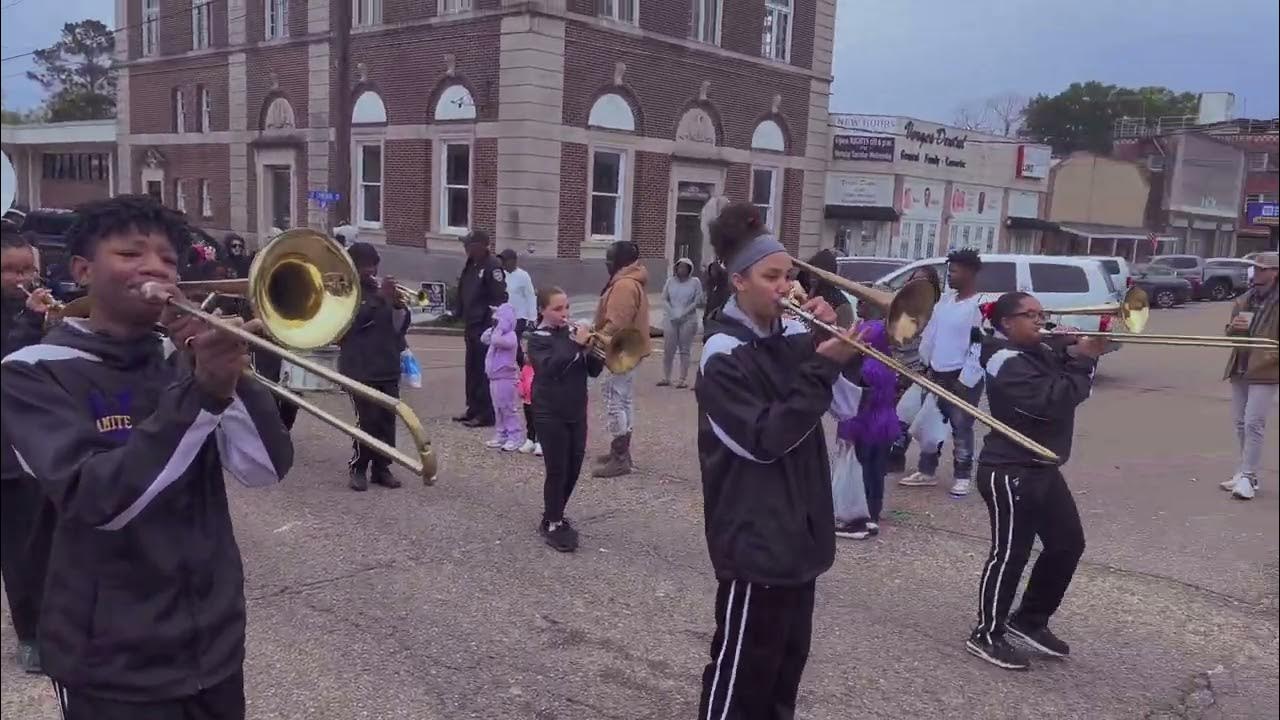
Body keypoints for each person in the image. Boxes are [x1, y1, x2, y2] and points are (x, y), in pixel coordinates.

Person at [0, 194, 294, 718]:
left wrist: (232, 379)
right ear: (84, 270)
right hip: (110, 661)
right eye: (132, 253)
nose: (155, 267)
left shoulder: (179, 357)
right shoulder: (33, 370)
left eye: (167, 258)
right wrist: (200, 392)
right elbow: (96, 498)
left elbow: (264, 467)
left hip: (215, 643)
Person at [695, 202, 865, 718]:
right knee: (742, 673)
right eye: (772, 276)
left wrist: (832, 346)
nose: (785, 286)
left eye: (789, 275)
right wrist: (817, 367)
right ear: (739, 281)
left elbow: (847, 408)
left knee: (784, 672)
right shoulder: (721, 354)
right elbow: (765, 440)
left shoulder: (792, 335)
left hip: (800, 536)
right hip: (755, 539)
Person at [966, 291, 1106, 671]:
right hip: (1010, 469)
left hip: (1041, 466)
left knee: (1067, 544)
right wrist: (1084, 360)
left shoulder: (1036, 351)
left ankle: (1029, 619)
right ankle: (986, 633)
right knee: (1010, 553)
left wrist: (1078, 348)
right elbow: (1053, 400)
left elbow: (1064, 370)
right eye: (1030, 315)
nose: (1040, 320)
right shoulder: (1003, 359)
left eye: (1041, 313)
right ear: (1006, 323)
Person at [0, 227, 56, 673]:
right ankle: (30, 636)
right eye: (9, 270)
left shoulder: (42, 304)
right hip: (5, 454)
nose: (21, 278)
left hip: (42, 445)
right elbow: (9, 367)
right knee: (19, 551)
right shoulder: (23, 315)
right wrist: (29, 321)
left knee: (51, 544)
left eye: (27, 269)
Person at [899, 249, 985, 497]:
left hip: (961, 376)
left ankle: (962, 475)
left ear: (970, 273)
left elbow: (978, 346)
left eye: (955, 271)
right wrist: (925, 363)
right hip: (936, 372)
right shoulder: (945, 302)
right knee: (929, 422)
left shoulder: (978, 305)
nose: (950, 276)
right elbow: (930, 335)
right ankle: (927, 471)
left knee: (961, 426)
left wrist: (966, 379)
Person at [527, 287, 605, 552]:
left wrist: (596, 351)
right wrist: (576, 345)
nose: (565, 314)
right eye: (557, 309)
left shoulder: (571, 335)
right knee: (557, 469)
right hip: (549, 411)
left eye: (567, 307)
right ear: (542, 310)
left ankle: (555, 514)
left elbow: (592, 372)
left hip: (575, 409)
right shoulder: (537, 339)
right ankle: (552, 522)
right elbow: (550, 368)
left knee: (574, 467)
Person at [338, 242, 408, 491]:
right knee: (366, 421)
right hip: (359, 367)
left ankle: (382, 468)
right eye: (365, 266)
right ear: (353, 266)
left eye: (374, 265)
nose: (371, 270)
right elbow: (353, 323)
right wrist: (380, 299)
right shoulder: (343, 292)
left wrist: (398, 306)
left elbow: (399, 328)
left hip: (386, 366)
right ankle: (358, 468)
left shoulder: (381, 293)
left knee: (386, 422)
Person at [833, 303, 900, 540]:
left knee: (860, 470)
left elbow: (853, 403)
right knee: (876, 471)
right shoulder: (886, 364)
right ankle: (874, 512)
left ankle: (860, 516)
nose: (858, 304)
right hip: (884, 423)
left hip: (864, 425)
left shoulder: (864, 366)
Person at [1219, 251, 1278, 500]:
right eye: (1256, 268)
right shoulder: (1246, 299)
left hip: (1265, 370)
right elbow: (1230, 333)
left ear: (1276, 273)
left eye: (1263, 269)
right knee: (1240, 422)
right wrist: (1233, 329)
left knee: (1254, 423)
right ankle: (1242, 471)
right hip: (1240, 366)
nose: (1257, 273)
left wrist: (1270, 354)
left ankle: (1249, 476)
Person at [591, 240, 651, 478]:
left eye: (609, 257)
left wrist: (594, 339)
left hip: (622, 350)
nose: (607, 262)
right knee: (623, 399)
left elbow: (616, 322)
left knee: (614, 399)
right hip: (630, 349)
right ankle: (622, 452)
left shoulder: (624, 285)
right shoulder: (631, 280)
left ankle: (620, 458)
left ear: (620, 261)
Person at [888, 265, 943, 472]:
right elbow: (899, 338)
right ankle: (896, 456)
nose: (915, 283)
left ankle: (928, 466)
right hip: (901, 366)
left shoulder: (937, 310)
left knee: (925, 420)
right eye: (913, 279)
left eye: (922, 281)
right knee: (899, 418)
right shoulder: (903, 305)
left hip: (923, 369)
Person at [453, 230, 507, 428]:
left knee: (484, 371)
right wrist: (458, 311)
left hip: (483, 327)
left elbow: (499, 297)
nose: (466, 247)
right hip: (471, 325)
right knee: (472, 370)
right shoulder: (471, 263)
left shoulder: (493, 266)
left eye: (470, 244)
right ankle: (473, 408)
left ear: (483, 245)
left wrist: (491, 324)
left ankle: (486, 414)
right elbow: (464, 288)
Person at [482, 302, 525, 452]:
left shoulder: (511, 336)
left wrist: (499, 328)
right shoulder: (496, 333)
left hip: (506, 377)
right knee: (498, 408)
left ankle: (515, 436)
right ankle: (501, 433)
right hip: (494, 377)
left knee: (507, 407)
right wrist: (493, 328)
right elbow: (485, 339)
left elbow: (496, 341)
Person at [659, 257, 703, 388]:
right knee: (668, 349)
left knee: (685, 349)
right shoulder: (670, 281)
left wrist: (684, 313)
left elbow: (698, 300)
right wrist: (671, 312)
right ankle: (666, 377)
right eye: (679, 267)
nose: (681, 269)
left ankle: (682, 379)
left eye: (685, 267)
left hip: (688, 319)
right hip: (671, 318)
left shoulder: (695, 282)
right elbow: (664, 298)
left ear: (689, 269)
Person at [499, 248, 537, 364]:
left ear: (514, 261)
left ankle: (523, 367)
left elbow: (530, 297)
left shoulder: (523, 276)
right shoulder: (501, 275)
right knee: (503, 344)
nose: (503, 264)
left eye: (505, 261)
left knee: (515, 345)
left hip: (519, 317)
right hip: (504, 316)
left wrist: (532, 318)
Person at [517, 338, 542, 456]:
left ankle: (540, 442)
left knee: (540, 422)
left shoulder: (541, 369)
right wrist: (520, 389)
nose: (527, 357)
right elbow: (521, 380)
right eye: (526, 354)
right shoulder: (525, 368)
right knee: (529, 421)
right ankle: (530, 439)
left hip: (539, 401)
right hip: (527, 400)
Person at [703, 258, 730, 330]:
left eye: (714, 270)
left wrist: (714, 313)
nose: (712, 272)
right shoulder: (710, 284)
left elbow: (724, 301)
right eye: (711, 270)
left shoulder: (725, 286)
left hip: (719, 316)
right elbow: (709, 301)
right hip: (709, 316)